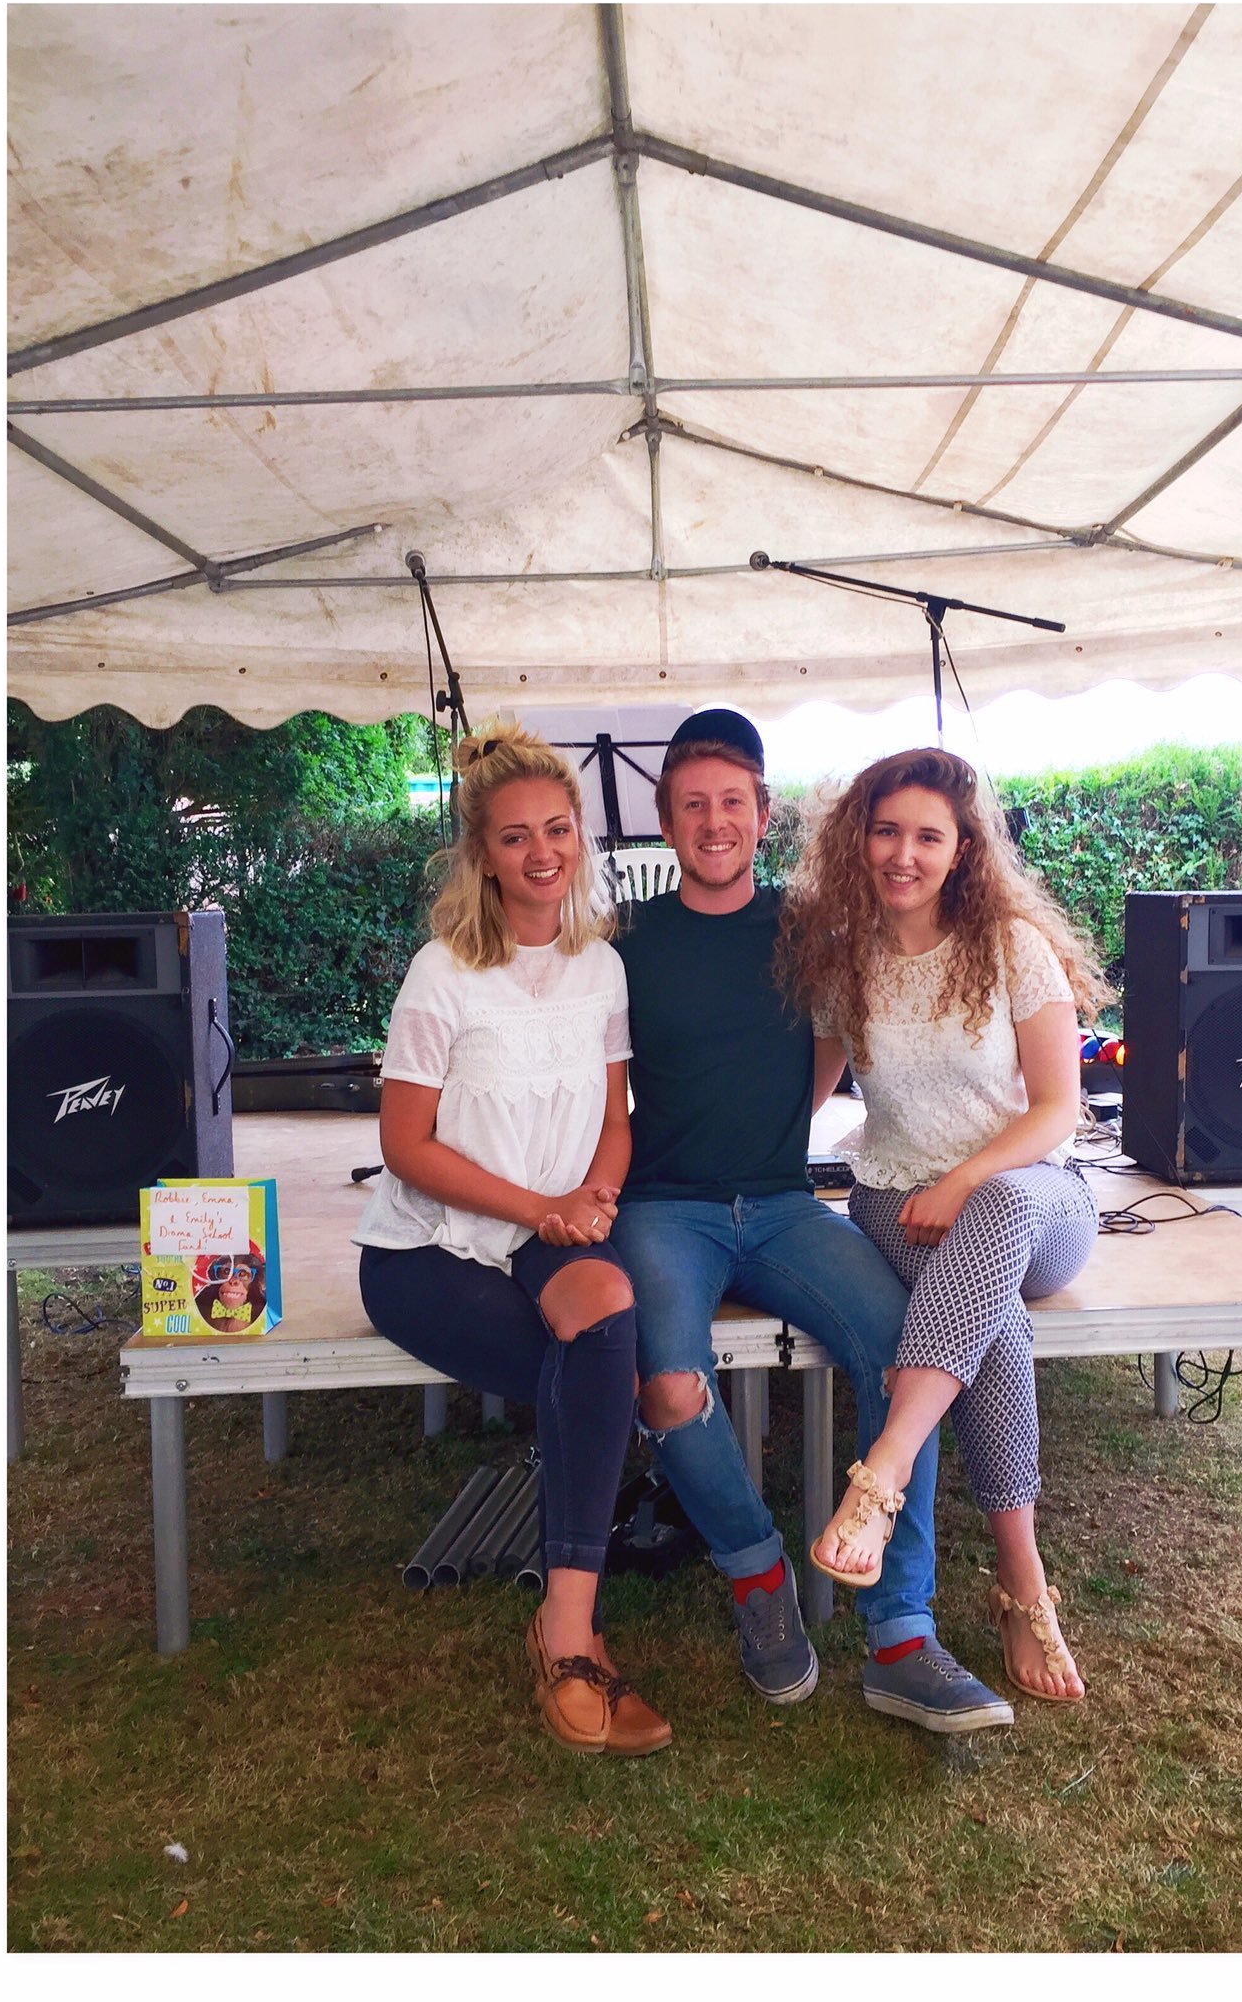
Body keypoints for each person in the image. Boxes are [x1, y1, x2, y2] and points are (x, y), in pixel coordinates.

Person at [608, 711, 1014, 1734]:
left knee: (903, 1348)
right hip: (665, 1207)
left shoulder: (811, 931)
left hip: (785, 1204)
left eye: (732, 802)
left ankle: (901, 1636)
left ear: (760, 814)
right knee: (667, 1381)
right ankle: (757, 1575)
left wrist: (782, 1118)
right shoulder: (624, 941)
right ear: (665, 820)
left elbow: (838, 1036)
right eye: (692, 804)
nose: (714, 822)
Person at [354, 722, 670, 1758]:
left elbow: (615, 1118)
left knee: (606, 1316)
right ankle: (576, 1640)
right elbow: (404, 1147)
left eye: (557, 829)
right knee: (602, 1372)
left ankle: (561, 1623)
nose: (542, 852)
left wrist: (595, 1197)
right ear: (481, 855)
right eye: (514, 836)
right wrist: (543, 1210)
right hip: (428, 1248)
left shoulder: (601, 967)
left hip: (549, 1222)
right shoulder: (441, 973)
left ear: (581, 835)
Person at [777, 747, 1109, 1703]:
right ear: (859, 840)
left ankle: (882, 1470)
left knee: (993, 1218)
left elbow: (1058, 1107)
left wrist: (965, 1179)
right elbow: (806, 1093)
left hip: (1032, 1198)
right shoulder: (845, 958)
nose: (903, 854)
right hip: (897, 1202)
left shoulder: (1010, 946)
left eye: (928, 836)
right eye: (886, 832)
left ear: (963, 848)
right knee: (988, 1323)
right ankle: (1023, 1587)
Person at [194, 1251, 265, 1332]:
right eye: (226, 1272)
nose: (233, 1281)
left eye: (242, 1274)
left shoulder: (263, 1316)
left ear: (254, 1282)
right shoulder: (199, 1311)